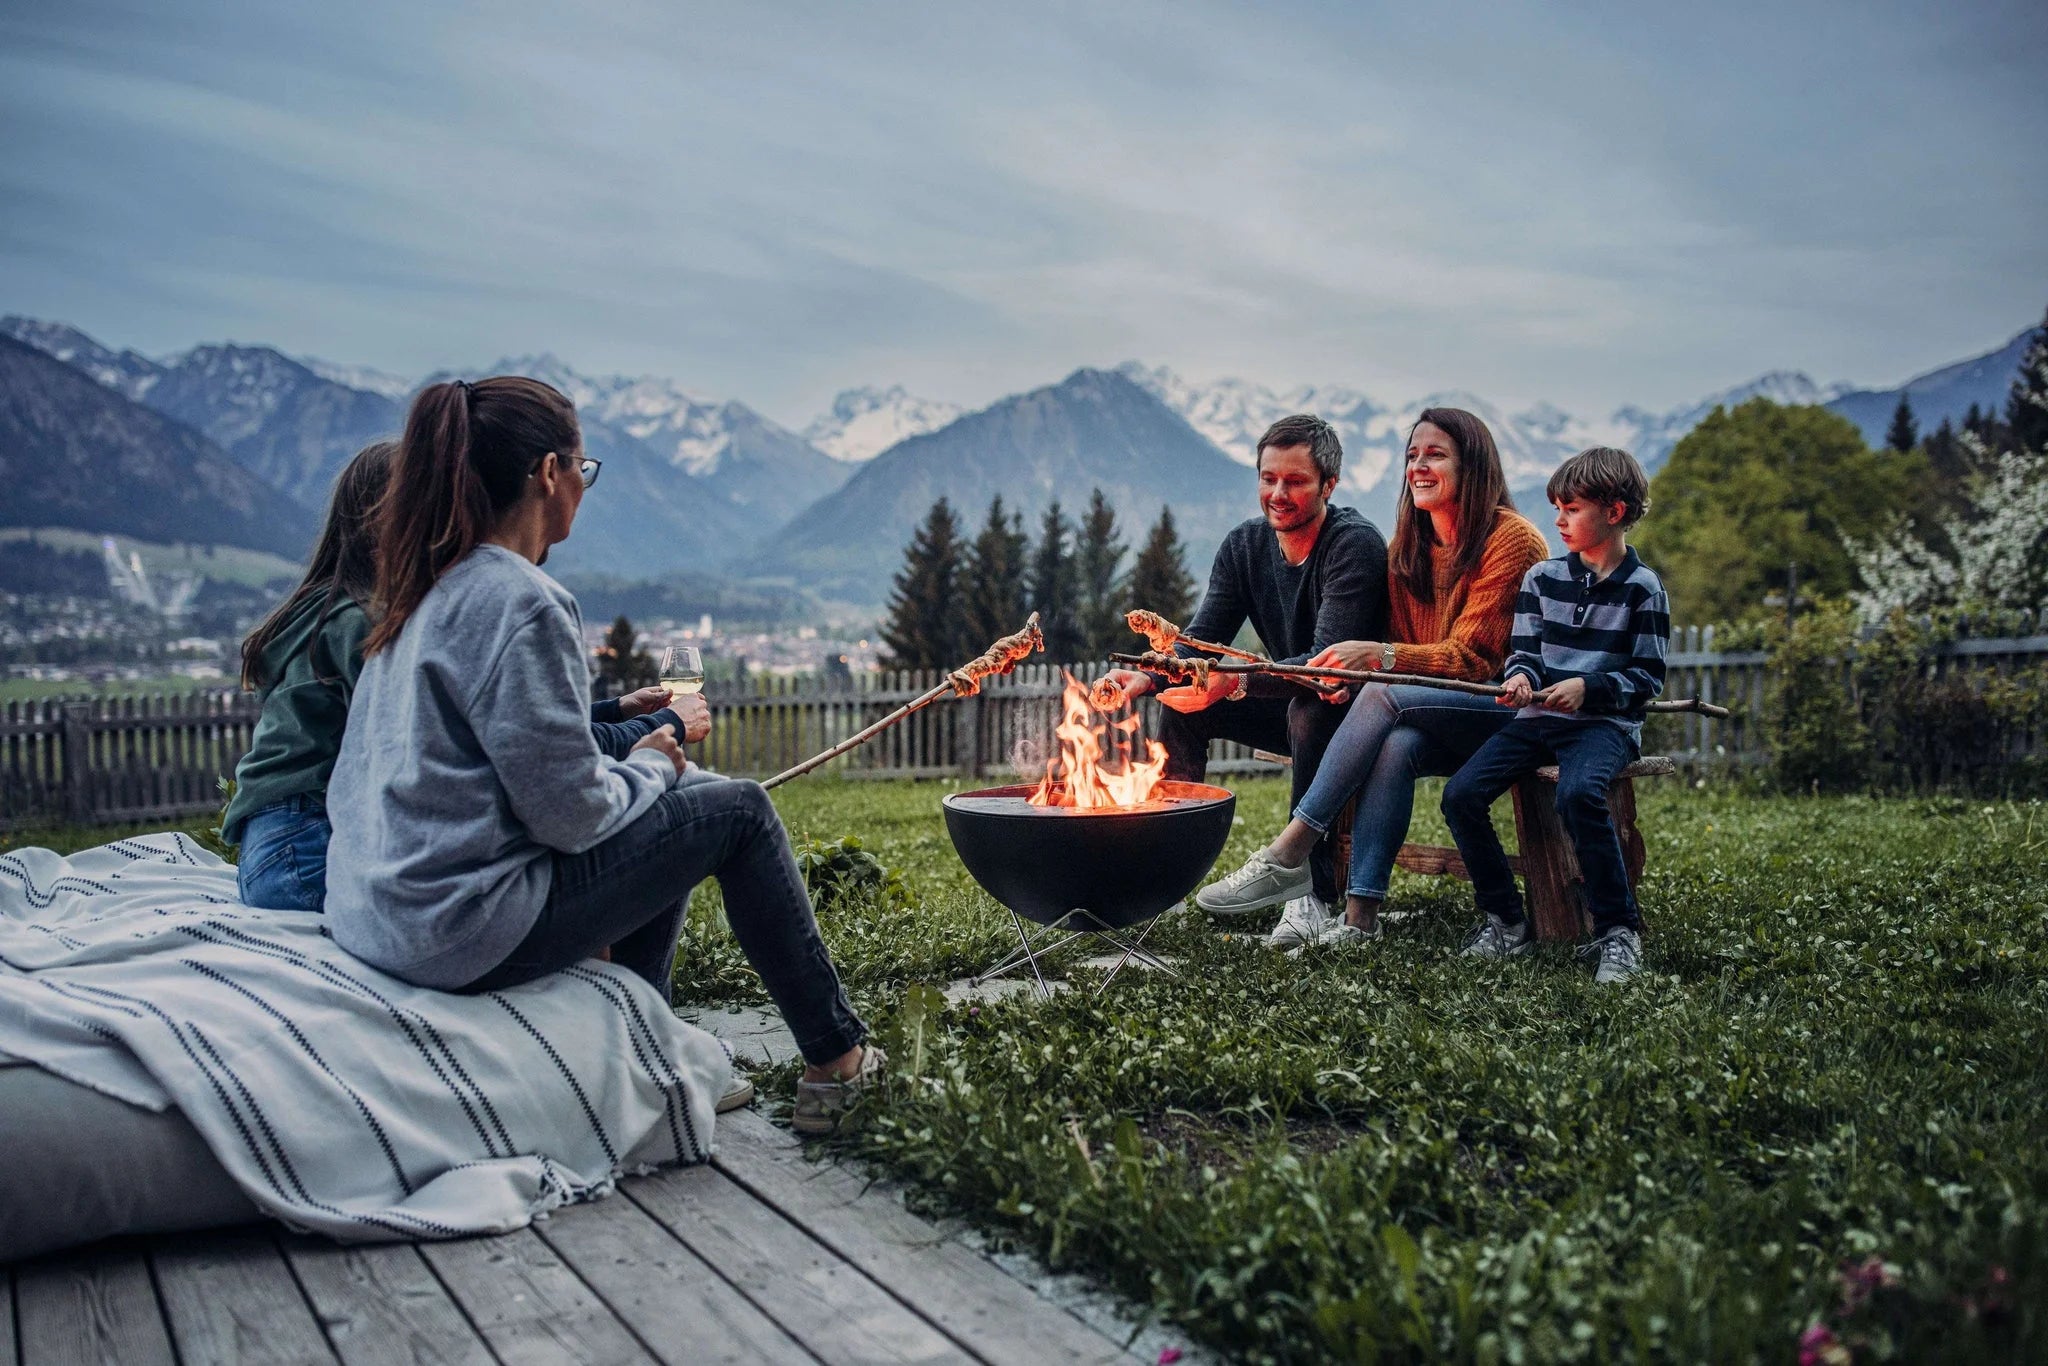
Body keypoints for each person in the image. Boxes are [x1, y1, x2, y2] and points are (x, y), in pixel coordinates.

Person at [324, 377, 880, 1132]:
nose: (581, 490)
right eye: (582, 471)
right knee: (737, 810)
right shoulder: (521, 599)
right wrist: (653, 759)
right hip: (459, 932)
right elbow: (573, 818)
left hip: (386, 915)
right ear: (548, 474)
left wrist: (640, 754)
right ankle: (838, 1065)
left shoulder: (422, 593)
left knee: (682, 803)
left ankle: (644, 1051)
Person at [221, 441, 692, 914]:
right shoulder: (368, 626)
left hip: (271, 850)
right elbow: (499, 741)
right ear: (399, 520)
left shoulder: (325, 607)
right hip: (308, 851)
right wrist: (657, 728)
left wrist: (614, 710)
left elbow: (502, 727)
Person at [1193, 409, 1549, 948]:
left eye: (1436, 454)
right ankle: (1359, 921)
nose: (1419, 466)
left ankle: (1291, 850)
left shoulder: (1512, 542)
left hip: (1505, 710)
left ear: (1473, 466)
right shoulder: (1412, 544)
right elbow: (1402, 651)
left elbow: (1474, 662)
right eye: (1412, 455)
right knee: (1395, 743)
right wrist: (1354, 674)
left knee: (1383, 694)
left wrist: (1378, 660)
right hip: (1430, 714)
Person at [1095, 414, 1387, 921]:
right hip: (1289, 701)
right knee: (1182, 705)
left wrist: (1232, 682)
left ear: (1329, 485)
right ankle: (1168, 875)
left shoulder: (1353, 545)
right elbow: (1200, 644)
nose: (1278, 492)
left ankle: (1312, 894)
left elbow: (1324, 670)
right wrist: (1148, 677)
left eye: (1295, 481)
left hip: (1358, 716)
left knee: (1308, 708)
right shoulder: (1244, 546)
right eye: (1268, 478)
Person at [1440, 447, 1669, 985]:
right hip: (1537, 720)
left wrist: (1587, 689)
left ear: (1613, 512)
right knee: (1461, 796)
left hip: (1605, 727)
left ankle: (1618, 931)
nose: (1559, 520)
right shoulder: (1541, 580)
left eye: (1571, 509)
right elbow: (1525, 654)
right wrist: (1521, 679)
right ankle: (1506, 920)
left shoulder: (1644, 589)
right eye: (1556, 508)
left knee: (1578, 795)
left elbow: (1646, 680)